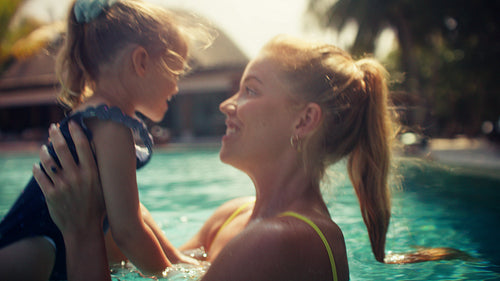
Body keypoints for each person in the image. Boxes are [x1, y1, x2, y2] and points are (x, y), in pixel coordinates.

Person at [35, 35, 461, 281]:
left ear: (304, 121)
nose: (227, 104)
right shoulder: (233, 217)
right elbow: (158, 272)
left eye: (251, 90)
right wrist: (115, 210)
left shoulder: (278, 241)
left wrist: (81, 231)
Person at [0, 0, 202, 279]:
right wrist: (175, 276)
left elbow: (134, 212)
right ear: (141, 61)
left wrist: (178, 259)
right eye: (175, 71)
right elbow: (128, 232)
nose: (176, 86)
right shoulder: (111, 125)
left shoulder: (96, 115)